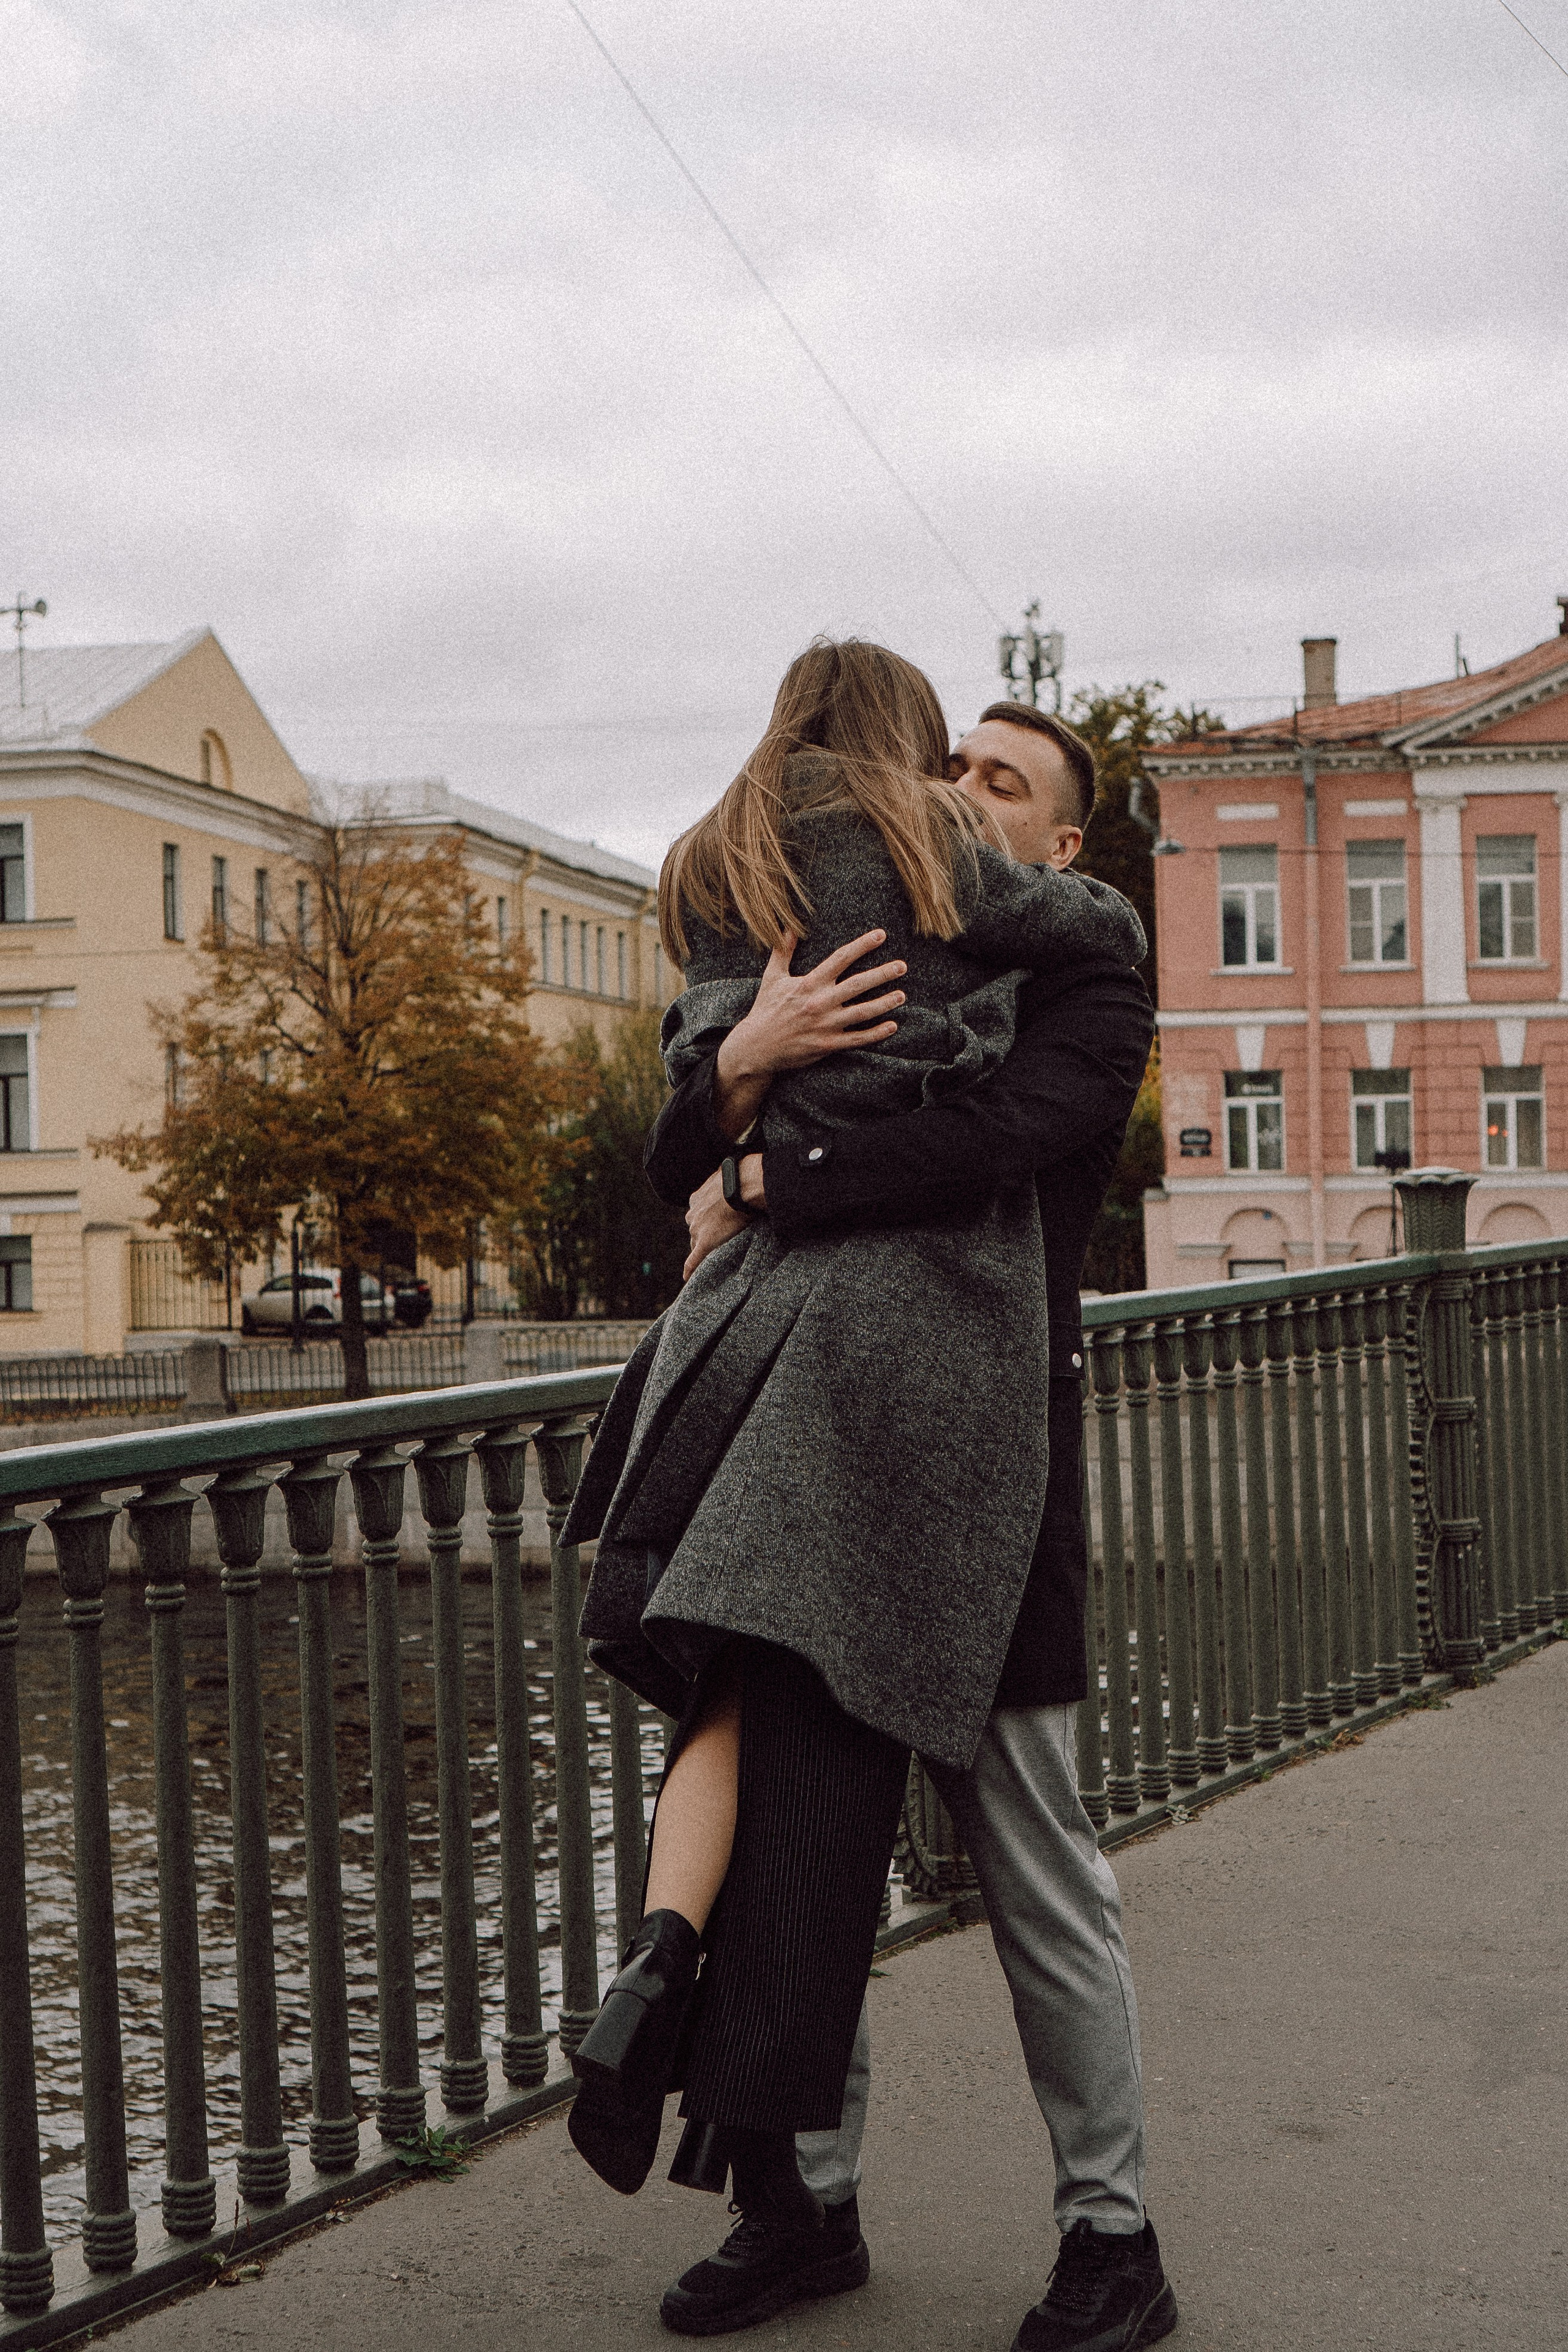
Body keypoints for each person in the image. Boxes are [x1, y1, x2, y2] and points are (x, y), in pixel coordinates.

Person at [557, 643, 1148, 2335]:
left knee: (1038, 1868)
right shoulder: (870, 920)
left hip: (995, 1471)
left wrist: (760, 1151)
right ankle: (801, 2205)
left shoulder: (1087, 989)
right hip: (818, 1438)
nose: (960, 792)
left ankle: (1115, 2235)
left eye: (1002, 784)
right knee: (805, 1841)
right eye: (950, 762)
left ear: (1057, 847)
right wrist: (740, 1067)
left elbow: (978, 1144)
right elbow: (668, 1152)